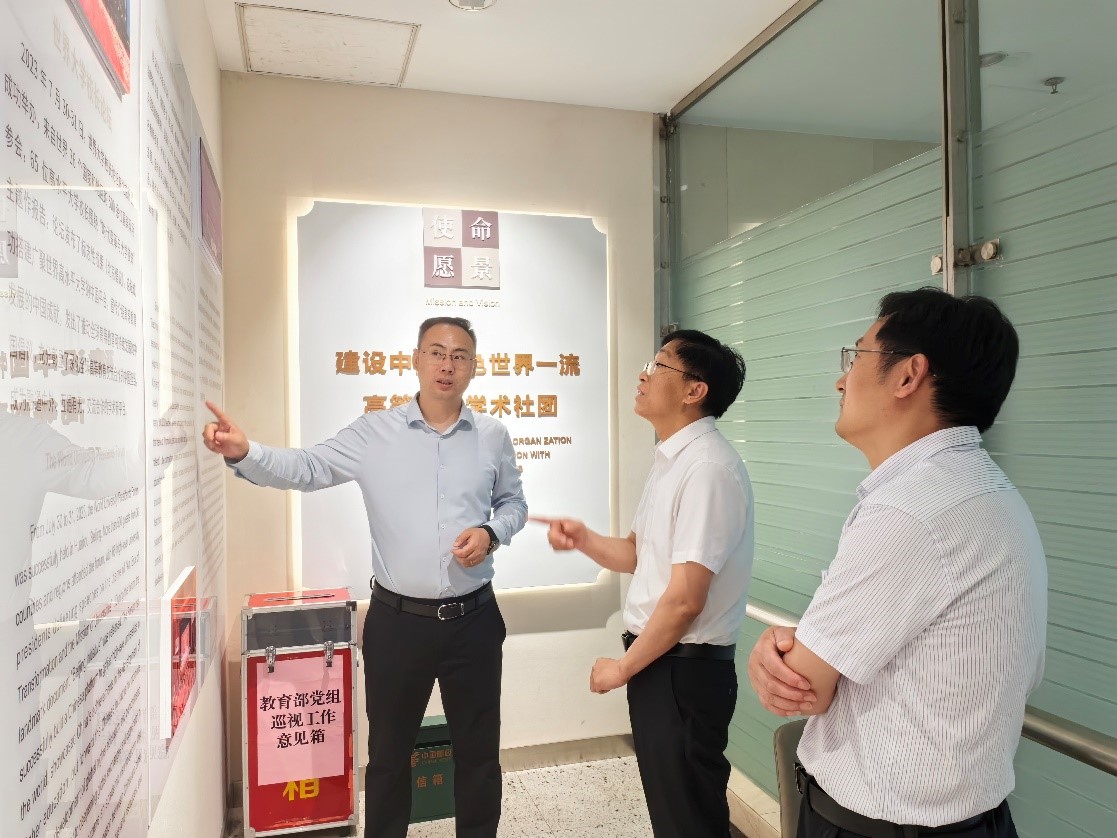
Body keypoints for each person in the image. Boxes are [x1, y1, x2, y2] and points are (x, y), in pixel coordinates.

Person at [202, 316, 527, 838]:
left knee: (479, 756)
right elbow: (308, 467)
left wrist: (492, 532)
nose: (447, 365)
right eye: (437, 352)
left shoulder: (492, 436)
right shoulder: (375, 432)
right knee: (389, 759)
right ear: (416, 359)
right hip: (399, 625)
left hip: (474, 620)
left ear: (473, 366)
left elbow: (514, 504)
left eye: (460, 355)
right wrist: (246, 452)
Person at [747, 288, 1047, 838]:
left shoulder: (912, 509)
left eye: (856, 356)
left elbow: (802, 684)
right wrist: (802, 650)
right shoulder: (985, 491)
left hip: (880, 828)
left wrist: (779, 650)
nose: (841, 381)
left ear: (909, 375)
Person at [535, 329, 753, 838]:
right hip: (664, 665)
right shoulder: (673, 461)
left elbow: (685, 601)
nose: (643, 375)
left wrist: (622, 668)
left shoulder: (707, 469)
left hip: (683, 670)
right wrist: (585, 539)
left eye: (658, 366)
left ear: (694, 390)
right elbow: (639, 554)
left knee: (688, 819)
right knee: (675, 812)